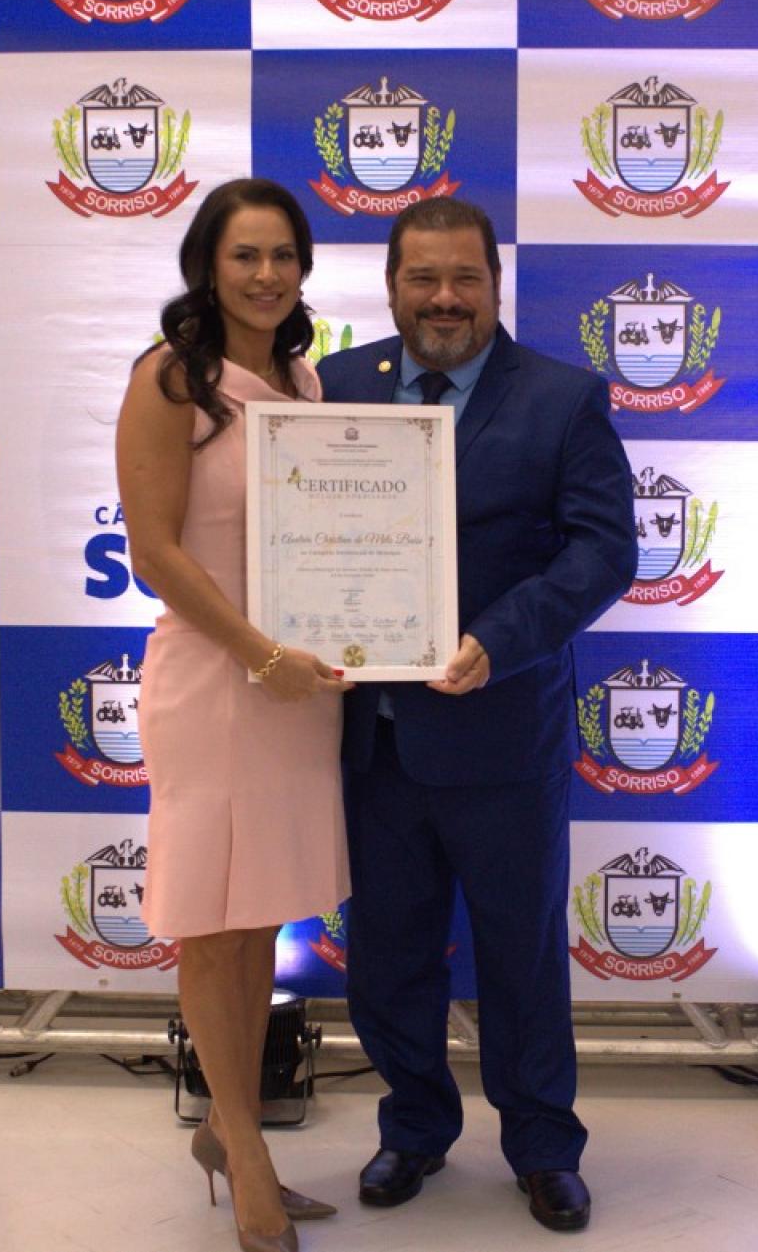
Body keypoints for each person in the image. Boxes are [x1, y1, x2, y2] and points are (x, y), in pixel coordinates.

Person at [315, 197, 638, 1233]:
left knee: (521, 953)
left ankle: (543, 1145)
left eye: (465, 278)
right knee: (388, 954)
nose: (444, 298)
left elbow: (604, 551)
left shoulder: (562, 398)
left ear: (496, 285)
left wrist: (499, 639)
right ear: (391, 287)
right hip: (373, 739)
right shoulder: (330, 389)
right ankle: (413, 1126)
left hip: (502, 732)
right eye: (423, 278)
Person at [115, 178, 351, 1252]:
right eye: (245, 255)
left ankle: (229, 1122)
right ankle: (246, 1154)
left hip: (296, 690)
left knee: (258, 917)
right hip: (220, 684)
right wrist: (261, 655)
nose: (267, 275)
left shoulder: (304, 380)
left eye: (284, 256)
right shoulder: (171, 378)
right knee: (213, 925)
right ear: (206, 267)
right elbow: (155, 553)